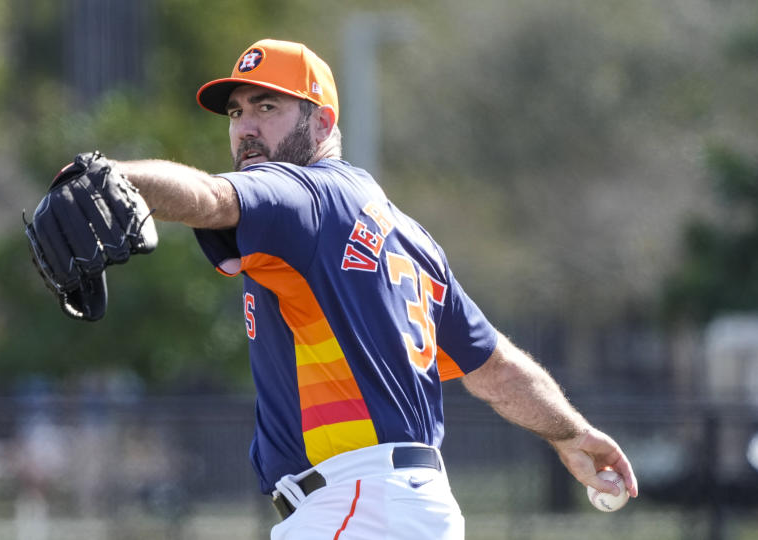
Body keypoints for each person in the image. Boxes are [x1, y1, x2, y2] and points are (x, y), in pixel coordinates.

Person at [111, 39, 638, 539]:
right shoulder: (408, 236)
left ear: (323, 122)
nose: (246, 128)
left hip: (356, 503)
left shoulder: (307, 195)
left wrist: (111, 179)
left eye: (267, 108)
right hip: (403, 505)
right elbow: (495, 368)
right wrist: (570, 433)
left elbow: (209, 196)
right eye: (237, 113)